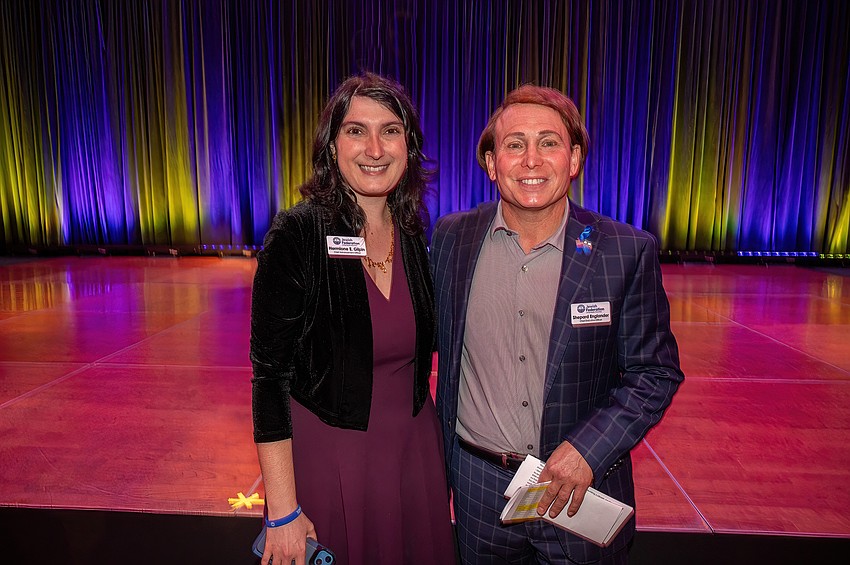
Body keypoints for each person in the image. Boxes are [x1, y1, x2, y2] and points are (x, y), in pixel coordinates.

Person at [431, 85, 684, 564]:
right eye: (514, 144)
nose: (531, 160)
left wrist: (588, 450)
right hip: (478, 487)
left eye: (548, 142)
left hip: (579, 488)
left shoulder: (623, 251)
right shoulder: (452, 239)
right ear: (490, 163)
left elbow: (655, 373)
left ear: (574, 159)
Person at [250, 72, 456, 565]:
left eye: (390, 130)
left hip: (412, 457)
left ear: (408, 145)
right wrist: (281, 511)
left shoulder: (412, 230)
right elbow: (269, 378)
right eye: (356, 130)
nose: (374, 148)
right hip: (331, 459)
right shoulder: (297, 233)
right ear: (332, 145)